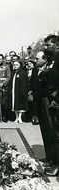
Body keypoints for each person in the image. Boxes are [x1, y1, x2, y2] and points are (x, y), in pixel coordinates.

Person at [43, 35, 59, 176]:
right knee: (55, 133)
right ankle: (54, 161)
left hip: (57, 98)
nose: (45, 47)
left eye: (48, 45)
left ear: (57, 45)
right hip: (51, 96)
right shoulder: (53, 58)